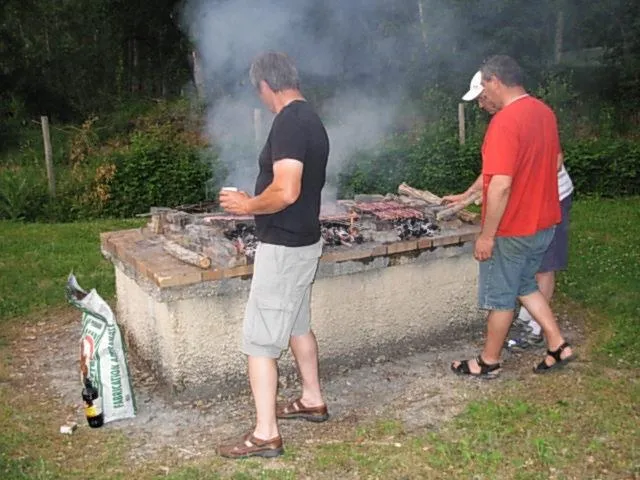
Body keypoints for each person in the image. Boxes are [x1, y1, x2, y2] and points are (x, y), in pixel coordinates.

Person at [217, 51, 330, 459]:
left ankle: (266, 434)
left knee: (260, 343)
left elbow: (286, 191)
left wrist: (247, 205)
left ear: (266, 85)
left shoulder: (288, 122)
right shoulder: (311, 119)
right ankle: (312, 398)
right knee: (298, 325)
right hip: (303, 241)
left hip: (284, 247)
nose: (260, 98)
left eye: (258, 91)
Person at [444, 55, 575, 379]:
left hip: (514, 227)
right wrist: (471, 194)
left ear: (493, 81)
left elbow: (500, 185)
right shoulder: (544, 113)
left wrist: (487, 236)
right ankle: (558, 345)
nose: (481, 102)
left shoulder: (505, 122)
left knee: (500, 296)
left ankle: (488, 361)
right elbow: (554, 162)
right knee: (525, 284)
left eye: (483, 93)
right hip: (545, 221)